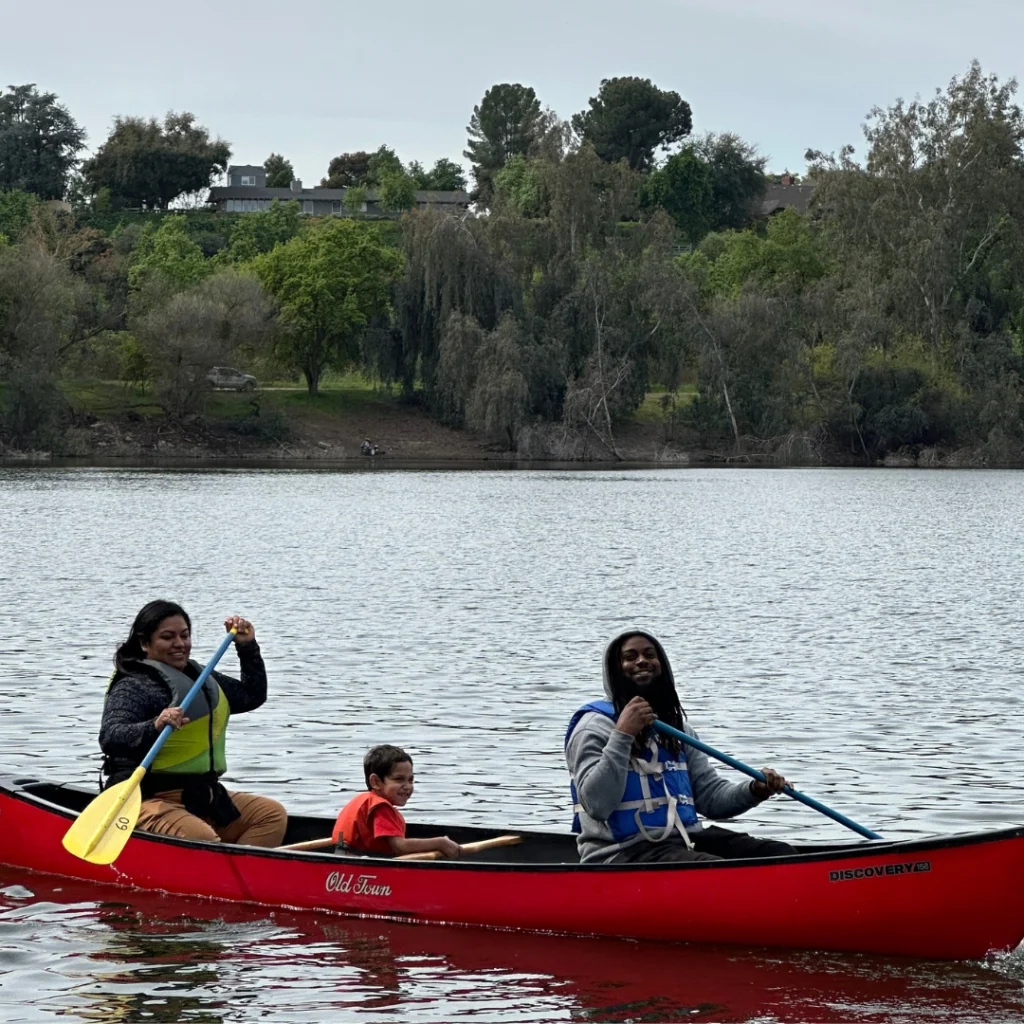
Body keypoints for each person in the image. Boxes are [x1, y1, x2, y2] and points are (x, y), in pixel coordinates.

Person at [565, 630, 796, 864]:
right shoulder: (592, 728)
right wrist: (623, 735)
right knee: (715, 870)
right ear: (614, 671)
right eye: (630, 657)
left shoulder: (677, 730)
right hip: (622, 853)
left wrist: (754, 789)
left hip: (685, 840)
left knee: (780, 854)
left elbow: (711, 798)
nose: (642, 661)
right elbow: (597, 806)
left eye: (649, 654)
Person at [98, 600, 288, 847]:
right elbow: (111, 736)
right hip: (146, 797)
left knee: (271, 815)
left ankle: (238, 876)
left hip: (202, 795)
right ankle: (217, 870)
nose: (179, 644)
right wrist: (155, 724)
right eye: (167, 637)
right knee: (202, 839)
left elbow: (252, 695)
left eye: (184, 635)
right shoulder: (133, 685)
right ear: (145, 643)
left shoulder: (199, 677)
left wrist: (247, 647)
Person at [333, 744, 461, 858]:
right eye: (399, 779)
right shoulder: (381, 808)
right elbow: (400, 847)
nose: (407, 786)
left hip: (344, 855)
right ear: (376, 782)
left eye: (410, 780)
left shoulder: (365, 800)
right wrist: (440, 843)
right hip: (355, 865)